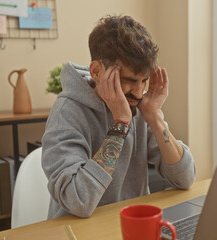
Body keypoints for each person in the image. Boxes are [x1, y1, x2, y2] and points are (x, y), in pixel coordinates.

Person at [42, 15, 196, 219]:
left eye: (144, 81)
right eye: (130, 81)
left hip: (132, 225)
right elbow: (78, 200)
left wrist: (154, 117)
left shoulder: (140, 106)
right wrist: (120, 123)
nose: (140, 93)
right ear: (97, 71)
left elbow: (185, 178)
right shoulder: (67, 113)